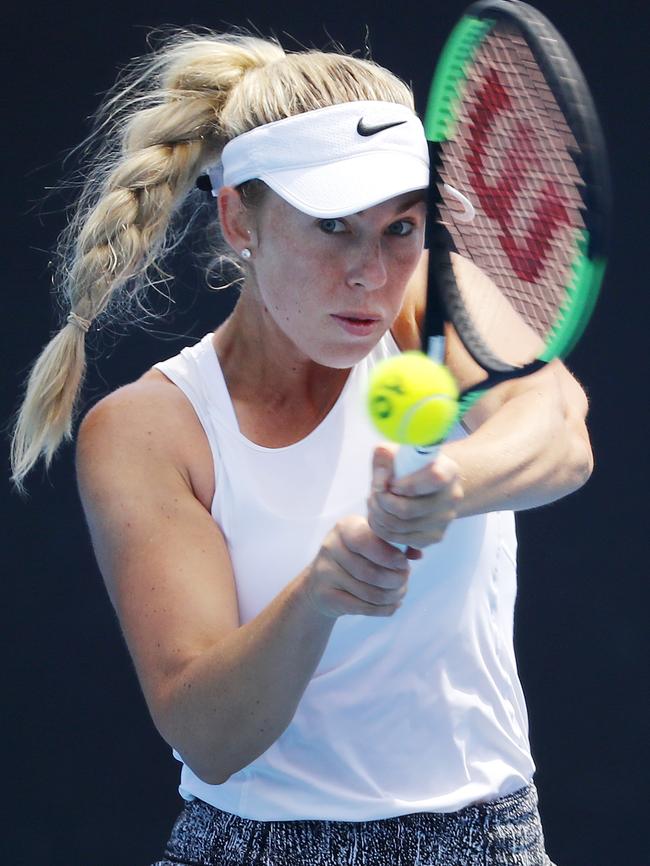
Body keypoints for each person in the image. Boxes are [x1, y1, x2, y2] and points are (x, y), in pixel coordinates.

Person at [10, 29, 592, 866]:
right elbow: (209, 735)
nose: (370, 271)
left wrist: (450, 484)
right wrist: (322, 591)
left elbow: (561, 428)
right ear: (238, 215)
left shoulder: (430, 302)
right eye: (331, 225)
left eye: (401, 226)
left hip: (489, 838)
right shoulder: (149, 428)